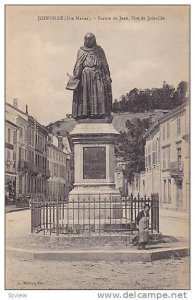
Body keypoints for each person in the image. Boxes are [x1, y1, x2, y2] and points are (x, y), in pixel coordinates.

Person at [67, 33, 112, 120]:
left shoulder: (99, 50)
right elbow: (78, 65)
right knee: (86, 94)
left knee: (100, 93)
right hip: (86, 76)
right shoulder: (81, 51)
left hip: (98, 74)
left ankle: (100, 114)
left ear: (94, 39)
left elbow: (105, 63)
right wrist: (76, 76)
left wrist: (107, 75)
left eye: (91, 39)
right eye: (87, 39)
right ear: (84, 40)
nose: (89, 40)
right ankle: (86, 114)